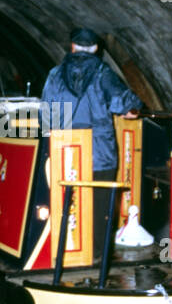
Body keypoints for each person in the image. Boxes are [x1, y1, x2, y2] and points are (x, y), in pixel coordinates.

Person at [40, 28, 142, 259]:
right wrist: (131, 109)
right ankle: (98, 256)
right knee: (100, 205)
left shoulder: (55, 75)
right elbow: (127, 104)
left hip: (65, 152)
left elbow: (45, 118)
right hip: (100, 154)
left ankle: (67, 253)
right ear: (96, 49)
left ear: (72, 47)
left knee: (67, 201)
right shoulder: (103, 73)